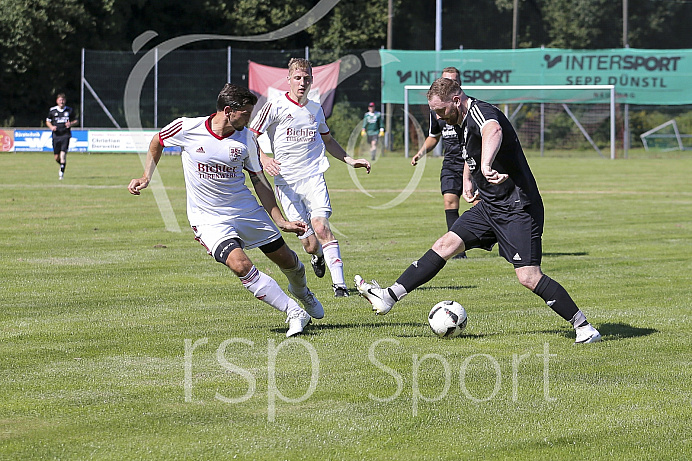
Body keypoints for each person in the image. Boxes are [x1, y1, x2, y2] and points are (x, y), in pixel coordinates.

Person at [355, 77, 601, 344]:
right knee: (445, 243)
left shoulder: (481, 112)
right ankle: (389, 296)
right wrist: (469, 178)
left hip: (517, 207)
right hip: (490, 206)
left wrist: (485, 166)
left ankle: (584, 327)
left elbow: (492, 131)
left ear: (456, 101)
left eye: (440, 110)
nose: (437, 117)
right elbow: (467, 152)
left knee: (528, 277)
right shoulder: (458, 121)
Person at [128, 83, 322, 337]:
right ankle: (293, 311)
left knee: (287, 261)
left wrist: (281, 220)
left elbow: (259, 181)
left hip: (245, 210)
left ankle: (302, 292)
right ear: (229, 110)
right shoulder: (188, 127)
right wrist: (146, 176)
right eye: (246, 114)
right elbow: (158, 140)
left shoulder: (248, 139)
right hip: (208, 218)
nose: (250, 119)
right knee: (240, 265)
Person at [250, 58, 371, 298]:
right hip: (286, 183)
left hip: (313, 177)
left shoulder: (316, 109)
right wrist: (264, 159)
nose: (302, 82)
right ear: (289, 80)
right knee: (310, 243)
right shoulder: (273, 106)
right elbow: (250, 136)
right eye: (297, 78)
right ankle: (317, 257)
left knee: (321, 227)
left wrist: (350, 160)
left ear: (312, 80)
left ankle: (339, 286)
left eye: (306, 78)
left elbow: (327, 140)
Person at [410, 67, 472, 259]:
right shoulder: (436, 110)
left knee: (480, 203)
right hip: (451, 161)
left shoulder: (468, 107)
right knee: (449, 201)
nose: (448, 84)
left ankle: (503, 241)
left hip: (470, 160)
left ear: (459, 85)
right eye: (445, 81)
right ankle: (457, 250)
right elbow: (433, 136)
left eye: (453, 81)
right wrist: (421, 153)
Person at [46, 93, 78, 180]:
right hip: (56, 136)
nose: (62, 102)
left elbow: (76, 121)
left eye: (63, 100)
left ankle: (61, 174)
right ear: (57, 101)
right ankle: (62, 165)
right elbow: (47, 121)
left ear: (65, 101)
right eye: (60, 100)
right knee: (57, 157)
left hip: (65, 135)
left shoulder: (69, 110)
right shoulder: (52, 111)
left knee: (63, 155)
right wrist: (51, 127)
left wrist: (71, 123)